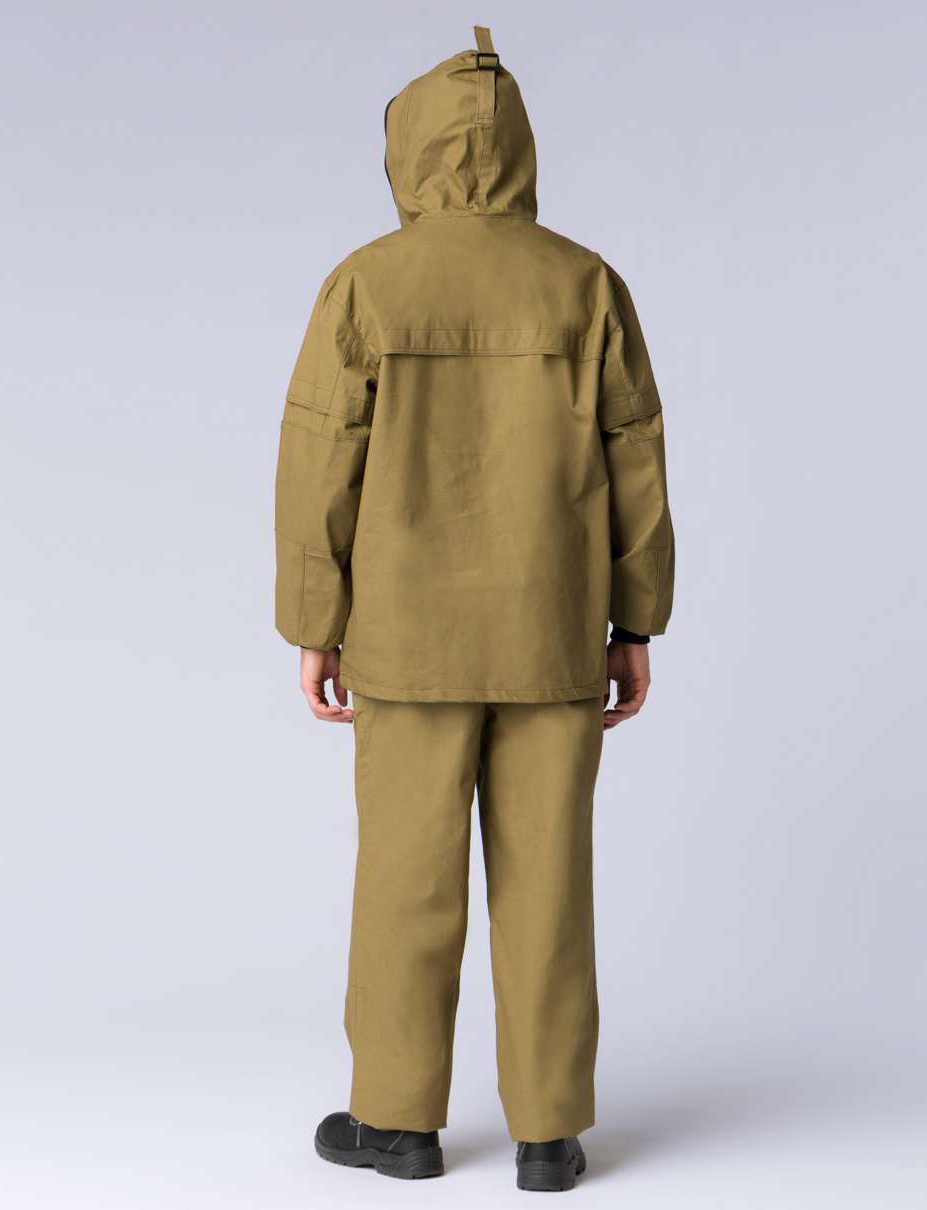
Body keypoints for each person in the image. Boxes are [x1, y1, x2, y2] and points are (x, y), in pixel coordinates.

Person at [274, 26, 674, 1193]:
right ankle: (549, 1132)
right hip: (554, 631)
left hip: (406, 637)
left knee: (406, 878)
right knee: (549, 882)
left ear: (409, 151)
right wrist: (635, 622)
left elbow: (318, 462)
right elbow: (637, 457)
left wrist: (314, 622)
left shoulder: (366, 282)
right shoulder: (585, 282)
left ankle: (397, 1122)